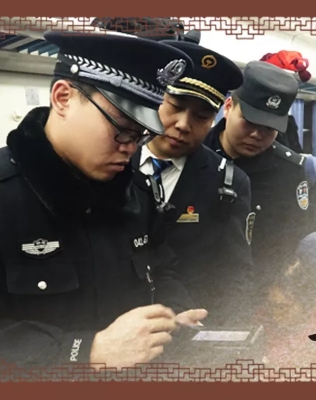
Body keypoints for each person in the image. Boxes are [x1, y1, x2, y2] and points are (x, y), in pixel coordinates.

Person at [0, 31, 208, 380]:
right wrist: (84, 351)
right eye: (122, 128)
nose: (130, 148)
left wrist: (172, 313)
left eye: (141, 135)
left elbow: (162, 267)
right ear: (63, 97)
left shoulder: (136, 190)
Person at [130, 40, 254, 326]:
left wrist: (224, 334)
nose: (184, 125)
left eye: (201, 116)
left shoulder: (228, 182)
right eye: (175, 106)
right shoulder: (115, 162)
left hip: (194, 325)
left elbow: (237, 272)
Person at [204, 61, 311, 291]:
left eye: (268, 128)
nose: (256, 134)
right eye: (250, 121)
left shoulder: (288, 170)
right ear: (229, 107)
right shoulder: (194, 154)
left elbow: (292, 235)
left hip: (259, 289)